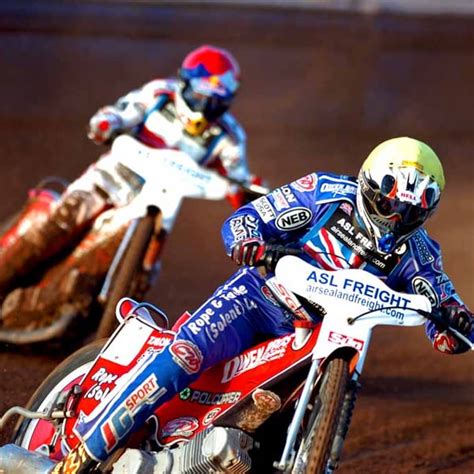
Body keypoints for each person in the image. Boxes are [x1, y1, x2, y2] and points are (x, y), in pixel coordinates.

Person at [51, 137, 473, 473]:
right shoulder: (324, 191)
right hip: (259, 299)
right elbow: (246, 220)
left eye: (409, 211)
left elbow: (445, 314)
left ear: (427, 210)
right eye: (389, 203)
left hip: (321, 340)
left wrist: (456, 325)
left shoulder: (421, 254)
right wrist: (252, 244)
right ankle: (86, 452)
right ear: (368, 185)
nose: (394, 218)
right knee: (185, 353)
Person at [0, 44, 263, 330]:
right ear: (185, 82)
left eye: (216, 99)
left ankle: (43, 311)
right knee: (57, 222)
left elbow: (240, 179)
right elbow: (122, 113)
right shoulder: (160, 95)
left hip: (158, 206)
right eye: (201, 93)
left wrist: (253, 197)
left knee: (111, 262)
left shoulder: (230, 137)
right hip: (109, 179)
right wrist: (106, 122)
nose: (205, 104)